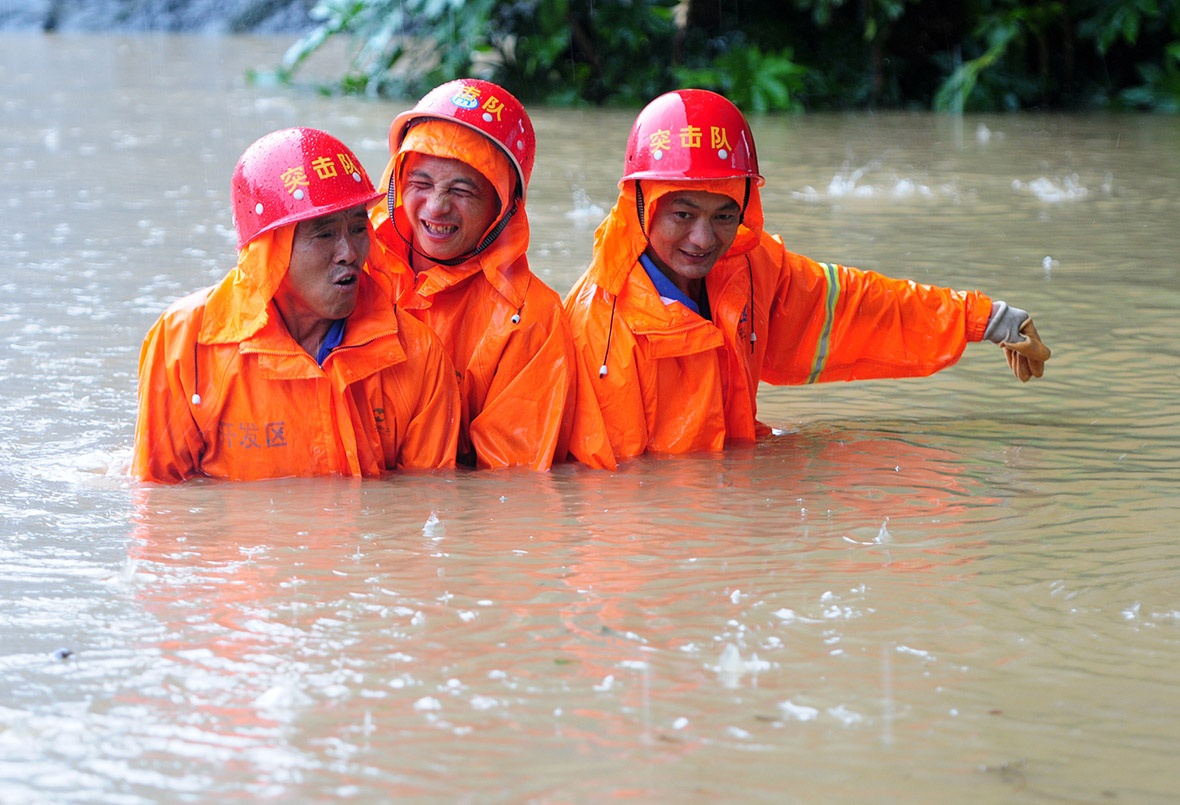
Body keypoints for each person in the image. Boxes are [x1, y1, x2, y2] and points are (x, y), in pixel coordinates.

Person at [564, 89, 1051, 469]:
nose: (703, 239)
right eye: (683, 214)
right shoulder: (599, 334)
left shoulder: (746, 268)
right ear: (641, 205)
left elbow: (855, 305)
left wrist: (985, 318)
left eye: (724, 215)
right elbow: (611, 490)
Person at [132, 127, 460, 483]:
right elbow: (158, 497)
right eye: (324, 234)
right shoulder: (185, 342)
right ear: (269, 249)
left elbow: (426, 501)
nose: (349, 253)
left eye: (357, 229)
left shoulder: (417, 353)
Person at [369, 78, 604, 470]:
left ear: (504, 205)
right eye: (421, 183)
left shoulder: (531, 319)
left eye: (462, 191)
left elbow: (510, 483)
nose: (437, 207)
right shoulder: (352, 272)